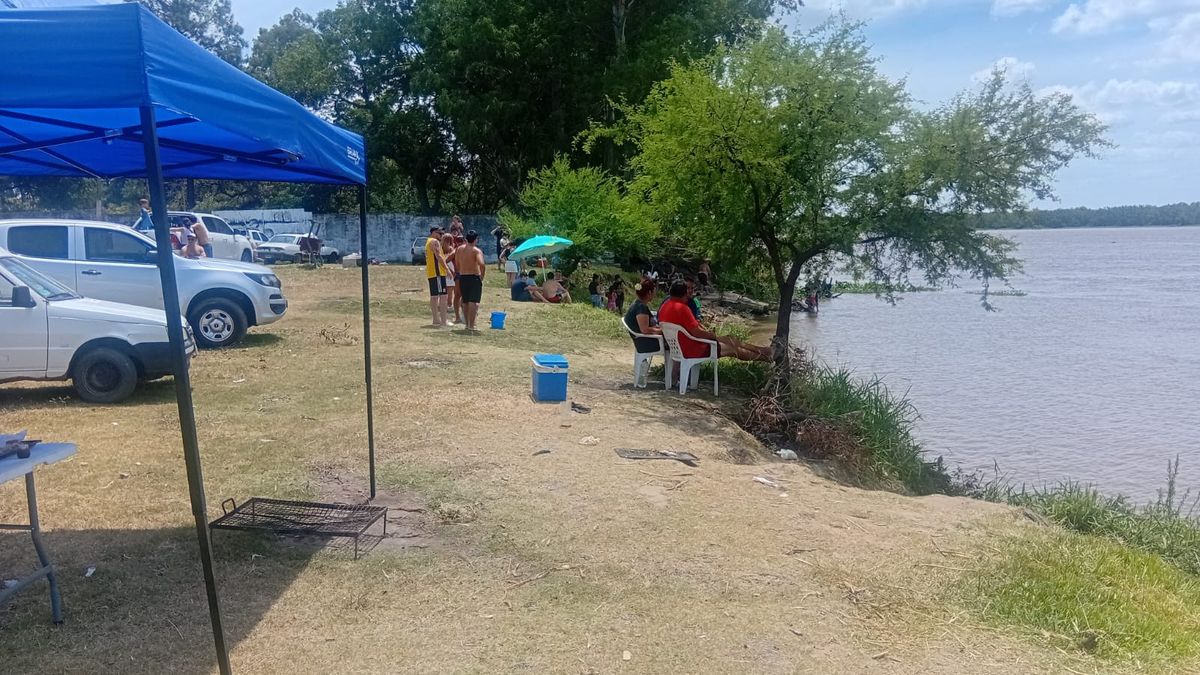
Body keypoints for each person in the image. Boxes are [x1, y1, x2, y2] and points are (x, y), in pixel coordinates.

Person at [659, 280, 771, 363]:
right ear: (684, 294)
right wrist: (711, 335)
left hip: (680, 347)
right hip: (692, 349)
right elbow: (697, 333)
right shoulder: (682, 308)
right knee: (733, 349)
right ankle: (766, 358)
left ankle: (763, 351)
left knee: (730, 339)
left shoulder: (665, 306)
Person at [453, 230, 486, 331]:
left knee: (465, 301)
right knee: (473, 302)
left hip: (463, 277)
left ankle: (467, 324)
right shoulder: (476, 251)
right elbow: (482, 264)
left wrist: (461, 269)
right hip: (473, 277)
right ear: (476, 240)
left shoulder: (459, 249)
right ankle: (471, 325)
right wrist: (482, 276)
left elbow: (457, 263)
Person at [623, 278, 663, 354]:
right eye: (654, 291)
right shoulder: (641, 307)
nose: (655, 294)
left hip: (642, 340)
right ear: (649, 293)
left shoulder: (637, 303)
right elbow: (645, 330)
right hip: (645, 343)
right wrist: (661, 331)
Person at [424, 225, 451, 326]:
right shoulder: (434, 242)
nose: (442, 235)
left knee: (434, 296)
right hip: (438, 273)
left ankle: (436, 319)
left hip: (432, 273)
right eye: (440, 233)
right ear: (434, 233)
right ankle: (444, 321)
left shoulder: (428, 241)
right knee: (443, 296)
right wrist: (447, 269)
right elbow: (439, 257)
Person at [442, 233, 462, 325]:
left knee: (449, 289)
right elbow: (447, 261)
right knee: (451, 290)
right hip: (452, 271)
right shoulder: (452, 249)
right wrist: (451, 271)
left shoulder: (445, 249)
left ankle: (449, 305)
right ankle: (450, 305)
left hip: (449, 271)